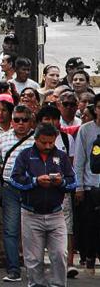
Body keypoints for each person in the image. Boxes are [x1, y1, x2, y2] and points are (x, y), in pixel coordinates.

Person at [10, 122, 76, 287]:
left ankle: (58, 285)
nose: (48, 146)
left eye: (51, 142)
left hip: (56, 213)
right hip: (31, 214)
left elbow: (73, 181)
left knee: (60, 254)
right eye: (44, 142)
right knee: (33, 260)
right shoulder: (24, 155)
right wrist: (35, 182)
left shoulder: (61, 157)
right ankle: (36, 284)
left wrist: (61, 183)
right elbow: (14, 179)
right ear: (36, 139)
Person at [0, 104, 35, 282]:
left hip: (33, 189)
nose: (21, 123)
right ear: (12, 121)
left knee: (33, 230)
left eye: (25, 119)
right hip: (10, 188)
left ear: (30, 121)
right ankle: (13, 269)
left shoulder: (36, 139)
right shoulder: (2, 139)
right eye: (17, 120)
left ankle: (34, 268)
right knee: (10, 230)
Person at [72, 94, 100, 275]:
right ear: (95, 109)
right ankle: (89, 256)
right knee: (91, 225)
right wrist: (79, 186)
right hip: (91, 185)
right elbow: (79, 159)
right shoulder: (86, 129)